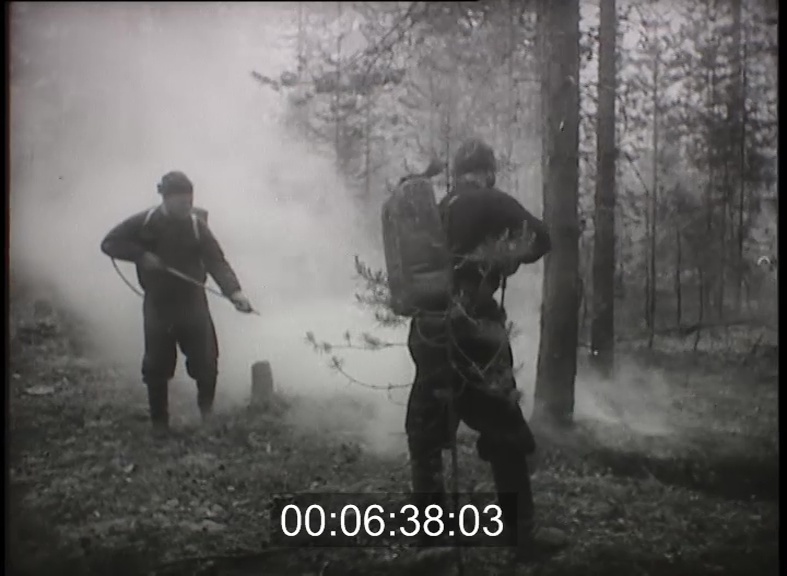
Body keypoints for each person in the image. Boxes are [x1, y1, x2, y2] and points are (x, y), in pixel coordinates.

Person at [405, 139, 563, 560]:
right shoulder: (492, 200)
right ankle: (521, 534)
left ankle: (431, 542)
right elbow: (542, 238)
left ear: (457, 172)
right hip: (476, 330)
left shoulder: (436, 208)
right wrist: (507, 255)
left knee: (426, 434)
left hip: (429, 332)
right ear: (488, 171)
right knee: (505, 429)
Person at [100, 171, 254, 436]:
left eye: (189, 200)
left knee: (206, 361)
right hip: (158, 304)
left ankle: (207, 417)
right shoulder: (145, 222)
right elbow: (109, 243)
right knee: (156, 366)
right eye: (181, 201)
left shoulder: (197, 225)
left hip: (193, 302)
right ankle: (160, 425)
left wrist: (235, 292)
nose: (187, 206)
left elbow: (216, 261)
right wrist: (141, 255)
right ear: (166, 198)